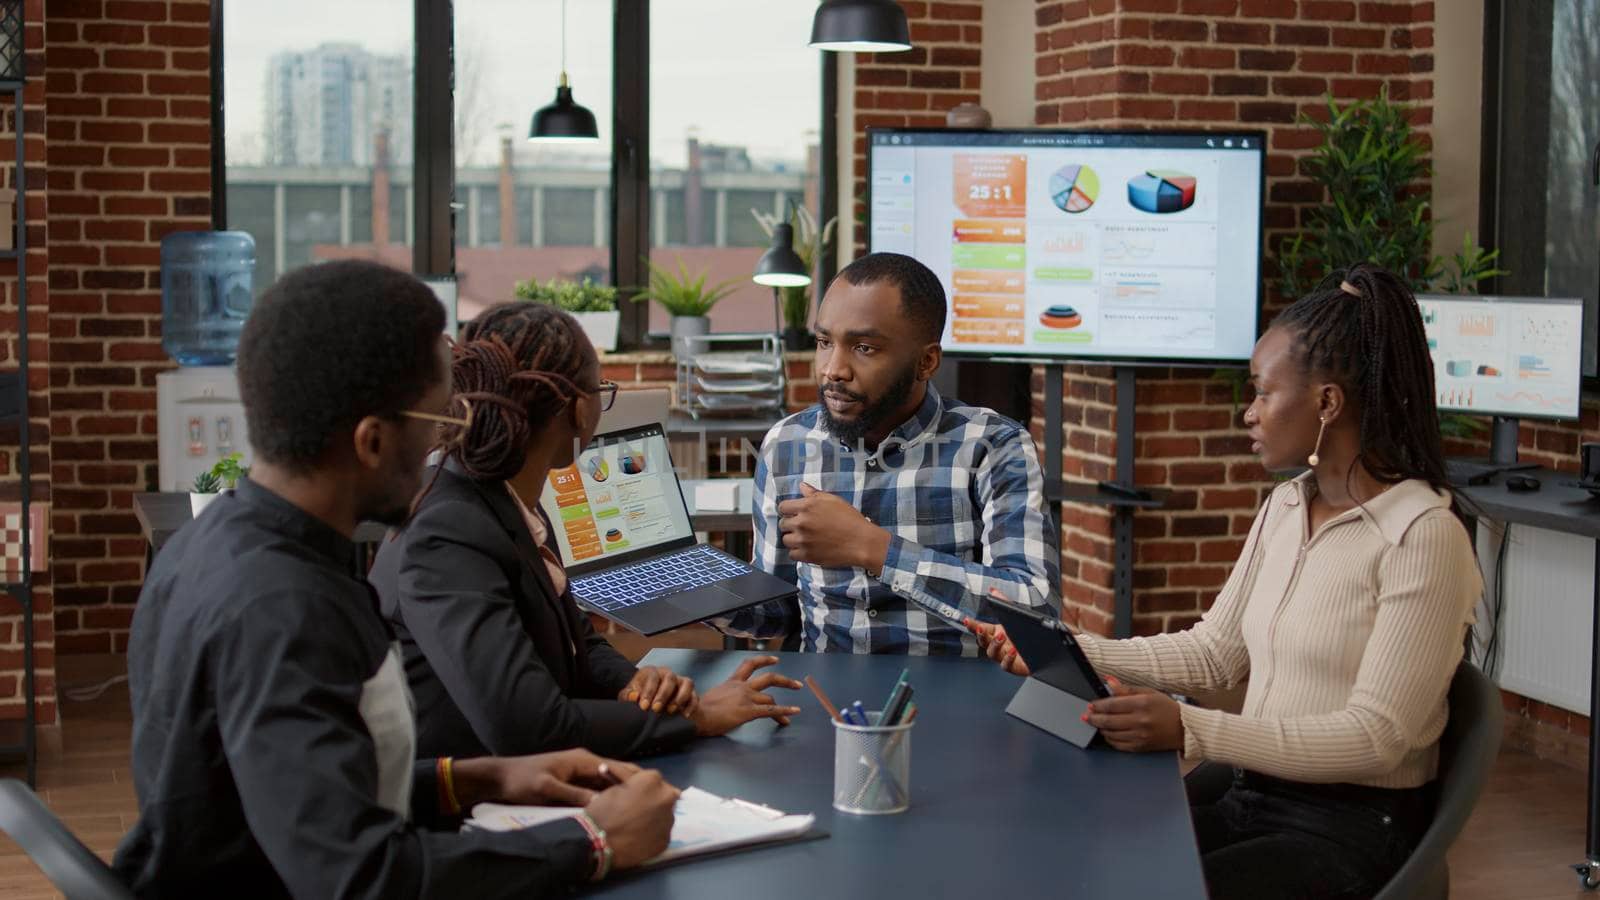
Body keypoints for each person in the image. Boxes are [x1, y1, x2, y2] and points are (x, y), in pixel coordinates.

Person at [114, 262, 680, 898]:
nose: (449, 447)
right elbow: (359, 876)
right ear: (373, 442)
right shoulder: (284, 610)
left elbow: (304, 789)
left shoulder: (208, 545)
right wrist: (592, 843)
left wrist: (476, 778)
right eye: (440, 423)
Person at [970, 264, 1482, 900]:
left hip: (1348, 829)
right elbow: (1215, 653)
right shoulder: (1287, 506)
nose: (1249, 412)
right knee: (1074, 852)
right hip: (1254, 795)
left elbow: (1376, 739)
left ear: (1327, 403)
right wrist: (1066, 648)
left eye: (1263, 393)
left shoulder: (1422, 535)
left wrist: (1193, 730)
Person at [367, 301, 803, 762]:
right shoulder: (447, 530)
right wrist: (696, 717)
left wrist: (633, 682)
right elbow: (528, 727)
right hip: (467, 804)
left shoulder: (509, 499)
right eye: (602, 389)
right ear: (579, 410)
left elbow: (577, 637)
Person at [717, 252, 1059, 654]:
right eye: (825, 342)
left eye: (863, 347)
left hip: (959, 691)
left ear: (926, 361)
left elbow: (1036, 610)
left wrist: (873, 548)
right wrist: (694, 592)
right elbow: (776, 612)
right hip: (824, 692)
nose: (833, 369)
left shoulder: (992, 445)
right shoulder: (787, 445)